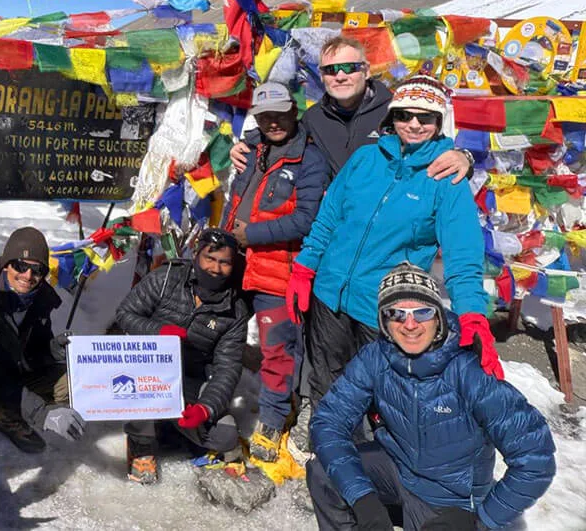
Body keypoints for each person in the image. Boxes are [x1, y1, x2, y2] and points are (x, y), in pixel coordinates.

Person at [288, 76, 500, 412]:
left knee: (375, 398)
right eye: (404, 115)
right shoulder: (365, 158)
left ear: (439, 121)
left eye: (425, 117)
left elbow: (462, 256)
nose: (414, 124)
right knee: (326, 385)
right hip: (329, 295)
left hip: (383, 309)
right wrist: (305, 266)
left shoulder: (447, 179)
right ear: (391, 117)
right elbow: (329, 218)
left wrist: (472, 314)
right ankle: (326, 437)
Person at [307, 263, 556, 530]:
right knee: (323, 472)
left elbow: (536, 457)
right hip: (398, 469)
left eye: (422, 312)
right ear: (384, 321)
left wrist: (480, 520)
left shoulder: (469, 371)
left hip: (449, 498)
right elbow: (328, 421)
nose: (410, 324)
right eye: (396, 313)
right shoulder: (376, 357)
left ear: (438, 316)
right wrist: (362, 497)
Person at [221, 82, 329, 463]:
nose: (273, 122)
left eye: (280, 114)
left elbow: (306, 219)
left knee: (278, 348)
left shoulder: (309, 159)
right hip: (234, 261)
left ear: (294, 111)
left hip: (278, 267)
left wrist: (250, 234)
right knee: (221, 337)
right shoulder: (251, 149)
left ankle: (272, 418)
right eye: (265, 116)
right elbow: (235, 200)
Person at [231, 36, 472, 180]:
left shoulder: (397, 110)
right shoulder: (314, 118)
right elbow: (284, 135)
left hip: (393, 225)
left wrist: (464, 157)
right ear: (322, 76)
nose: (340, 76)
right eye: (331, 70)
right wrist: (247, 144)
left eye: (349, 68)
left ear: (366, 71)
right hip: (340, 225)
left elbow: (436, 146)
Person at [114, 229, 250, 484]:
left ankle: (173, 425)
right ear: (197, 255)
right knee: (142, 389)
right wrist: (158, 331)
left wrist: (205, 408)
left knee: (225, 436)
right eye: (210, 258)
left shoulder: (236, 310)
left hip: (189, 377)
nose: (216, 268)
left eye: (224, 262)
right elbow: (125, 314)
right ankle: (141, 442)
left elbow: (228, 368)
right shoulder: (166, 277)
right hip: (146, 366)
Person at [0, 227, 82, 457]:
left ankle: (13, 414)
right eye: (20, 266)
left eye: (37, 269)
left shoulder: (40, 298)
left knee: (69, 381)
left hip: (15, 374)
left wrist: (53, 350)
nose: (28, 276)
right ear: (6, 264)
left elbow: (32, 354)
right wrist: (41, 413)